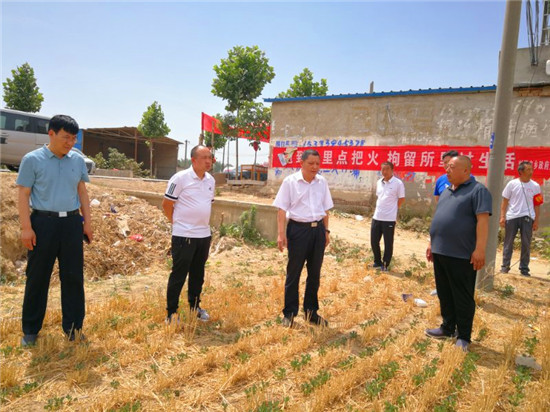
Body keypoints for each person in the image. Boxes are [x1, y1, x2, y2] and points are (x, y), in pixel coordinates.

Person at [17, 115, 93, 346]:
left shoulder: (77, 160)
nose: (70, 143)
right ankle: (31, 330)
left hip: (71, 223)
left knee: (73, 277)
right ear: (51, 134)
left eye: (73, 138)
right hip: (43, 224)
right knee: (37, 278)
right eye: (66, 137)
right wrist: (26, 228)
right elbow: (23, 194)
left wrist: (87, 223)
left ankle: (74, 329)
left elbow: (82, 192)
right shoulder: (32, 160)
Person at [425, 155, 492, 352]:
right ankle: (447, 328)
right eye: (447, 166)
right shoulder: (447, 191)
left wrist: (480, 249)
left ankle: (463, 336)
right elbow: (439, 218)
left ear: (466, 170)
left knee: (462, 296)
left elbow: (483, 222)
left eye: (452, 167)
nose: (447, 170)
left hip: (461, 254)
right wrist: (431, 243)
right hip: (440, 251)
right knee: (444, 292)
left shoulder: (478, 191)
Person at [273, 149, 333, 327]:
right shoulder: (290, 182)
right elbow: (281, 210)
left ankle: (311, 312)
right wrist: (281, 234)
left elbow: (325, 209)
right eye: (311, 163)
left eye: (317, 163)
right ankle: (289, 314)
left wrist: (326, 231)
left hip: (318, 231)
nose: (315, 167)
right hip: (298, 231)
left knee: (314, 274)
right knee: (294, 273)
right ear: (301, 163)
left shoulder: (322, 182)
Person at [162, 145, 214, 322]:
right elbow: (166, 204)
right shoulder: (180, 178)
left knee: (198, 275)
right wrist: (176, 223)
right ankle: (171, 312)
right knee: (179, 274)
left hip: (203, 235)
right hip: (184, 235)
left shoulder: (210, 181)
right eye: (204, 157)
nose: (208, 161)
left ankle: (195, 307)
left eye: (210, 157)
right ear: (193, 160)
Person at [500, 161, 543, 277]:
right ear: (520, 171)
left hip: (528, 217)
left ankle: (524, 268)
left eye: (531, 169)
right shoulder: (512, 184)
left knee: (526, 243)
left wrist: (536, 220)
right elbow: (505, 201)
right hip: (512, 217)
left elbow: (537, 204)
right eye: (528, 169)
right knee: (508, 242)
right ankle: (505, 266)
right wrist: (502, 216)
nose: (531, 172)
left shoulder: (536, 186)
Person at [370, 161, 405, 271]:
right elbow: (379, 197)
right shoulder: (379, 182)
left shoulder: (398, 183)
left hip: (389, 219)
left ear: (392, 170)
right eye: (383, 169)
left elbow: (401, 198)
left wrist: (393, 209)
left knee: (388, 243)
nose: (384, 172)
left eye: (387, 169)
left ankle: (385, 265)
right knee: (374, 241)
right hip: (377, 216)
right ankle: (377, 262)